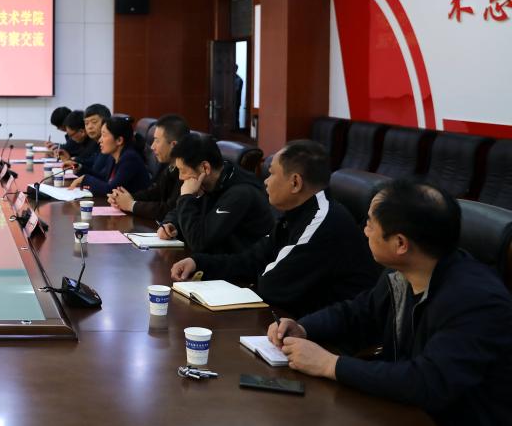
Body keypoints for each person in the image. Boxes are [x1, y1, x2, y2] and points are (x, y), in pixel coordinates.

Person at [268, 179, 512, 426]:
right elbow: (357, 313)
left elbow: (427, 382)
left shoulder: (476, 301)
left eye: (370, 224)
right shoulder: (404, 272)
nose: (364, 230)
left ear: (400, 244)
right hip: (401, 409)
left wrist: (330, 364)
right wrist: (303, 327)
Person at [170, 140, 379, 317]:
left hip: (332, 338)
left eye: (271, 174)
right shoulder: (296, 214)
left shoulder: (323, 221)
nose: (266, 182)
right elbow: (252, 259)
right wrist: (199, 262)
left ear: (295, 183)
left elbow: (271, 285)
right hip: (298, 320)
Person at [171, 133, 273, 254]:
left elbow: (198, 242)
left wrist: (186, 198)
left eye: (183, 171)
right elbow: (181, 211)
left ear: (205, 168)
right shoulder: (214, 179)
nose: (180, 177)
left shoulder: (239, 194)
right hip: (219, 259)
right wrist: (171, 223)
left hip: (245, 263)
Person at [108, 114, 188, 225]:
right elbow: (154, 193)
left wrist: (131, 205)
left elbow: (169, 209)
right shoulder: (169, 166)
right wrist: (126, 198)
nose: (152, 146)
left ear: (173, 145)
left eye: (157, 141)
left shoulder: (188, 172)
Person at [69, 116, 151, 196]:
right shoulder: (113, 156)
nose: (100, 140)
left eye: (104, 135)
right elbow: (104, 178)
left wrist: (86, 179)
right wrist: (79, 168)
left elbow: (111, 190)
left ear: (119, 140)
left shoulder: (130, 159)